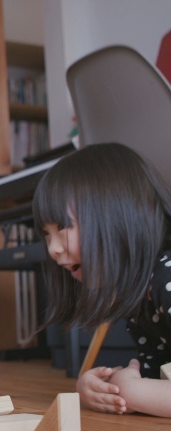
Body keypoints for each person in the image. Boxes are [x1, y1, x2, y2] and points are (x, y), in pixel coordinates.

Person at [32, 142, 171, 418]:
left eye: (62, 227)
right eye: (46, 233)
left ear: (119, 215)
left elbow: (146, 391)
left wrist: (133, 393)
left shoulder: (167, 277)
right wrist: (102, 388)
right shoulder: (139, 294)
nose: (53, 249)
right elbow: (160, 376)